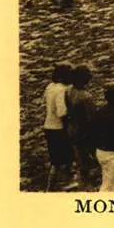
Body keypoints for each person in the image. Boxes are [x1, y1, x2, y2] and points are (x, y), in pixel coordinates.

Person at [42, 62, 75, 190]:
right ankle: (67, 183)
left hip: (48, 126)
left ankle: (50, 187)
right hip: (59, 129)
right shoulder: (62, 90)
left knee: (55, 161)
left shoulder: (50, 87)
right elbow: (62, 112)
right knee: (66, 158)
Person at [66, 64, 98, 189]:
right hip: (86, 129)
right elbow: (92, 115)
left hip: (73, 127)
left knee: (80, 153)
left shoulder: (69, 90)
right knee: (93, 151)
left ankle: (83, 176)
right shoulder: (86, 96)